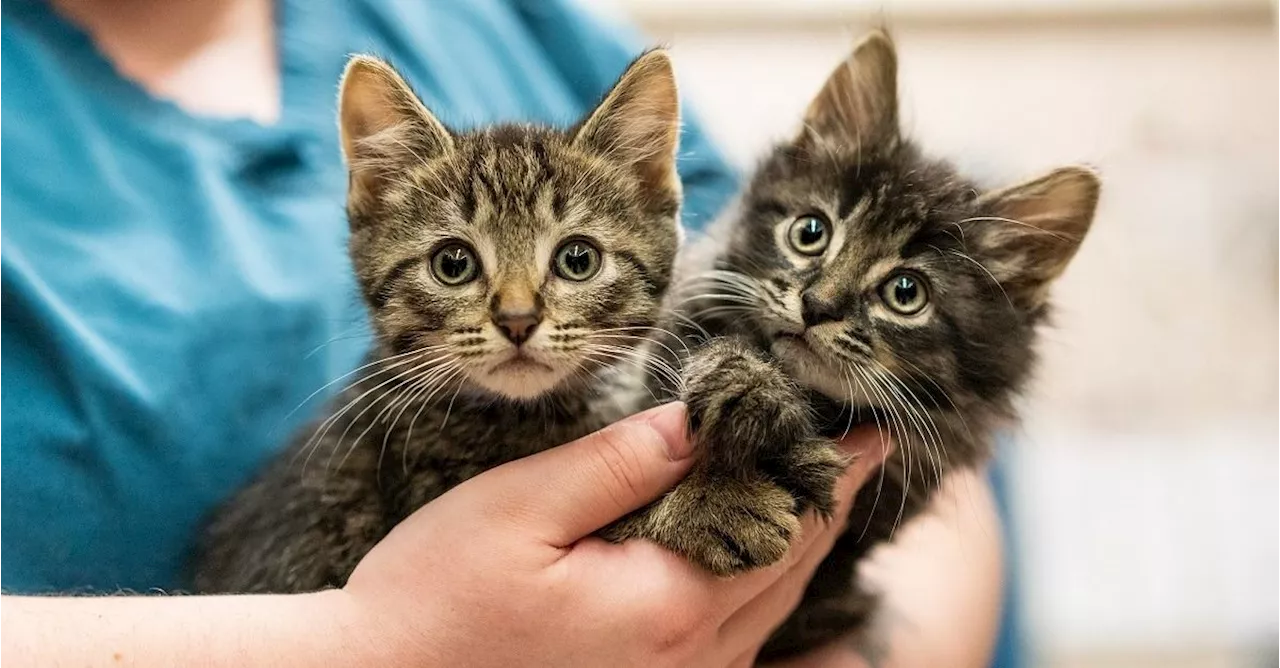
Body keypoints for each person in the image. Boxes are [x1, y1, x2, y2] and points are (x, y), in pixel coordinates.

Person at [0, 0, 1004, 665]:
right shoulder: (391, 445)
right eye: (455, 264)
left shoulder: (518, 19)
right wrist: (368, 641)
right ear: (376, 199)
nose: (518, 316)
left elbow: (908, 435)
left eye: (573, 263)